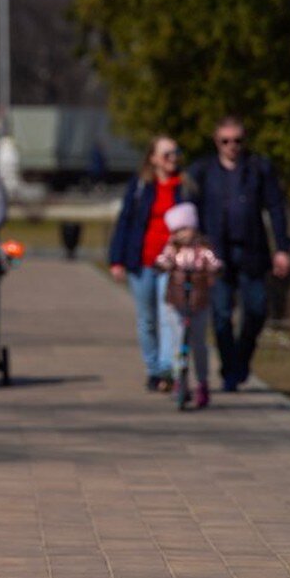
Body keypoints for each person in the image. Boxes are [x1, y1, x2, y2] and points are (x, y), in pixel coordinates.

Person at [186, 115, 290, 392]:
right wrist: (194, 246)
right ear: (216, 142)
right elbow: (189, 211)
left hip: (251, 251)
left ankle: (241, 361)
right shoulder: (203, 171)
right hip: (217, 254)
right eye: (226, 141)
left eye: (237, 141)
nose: (232, 146)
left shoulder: (258, 169)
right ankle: (230, 368)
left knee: (256, 309)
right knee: (221, 314)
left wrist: (282, 248)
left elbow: (276, 208)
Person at [107, 135, 187, 391]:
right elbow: (125, 221)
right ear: (153, 159)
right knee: (147, 319)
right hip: (141, 261)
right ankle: (153, 368)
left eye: (175, 153)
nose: (172, 159)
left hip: (172, 263)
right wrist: (116, 260)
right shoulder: (141, 185)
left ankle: (166, 370)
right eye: (166, 154)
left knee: (169, 316)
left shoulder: (184, 186)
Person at [155, 202, 222, 408]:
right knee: (177, 342)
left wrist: (214, 268)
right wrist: (164, 263)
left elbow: (214, 262)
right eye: (177, 230)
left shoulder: (203, 249)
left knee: (198, 343)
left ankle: (202, 381)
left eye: (185, 228)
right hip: (176, 299)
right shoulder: (172, 248)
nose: (182, 234)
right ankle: (178, 380)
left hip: (198, 300)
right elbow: (162, 259)